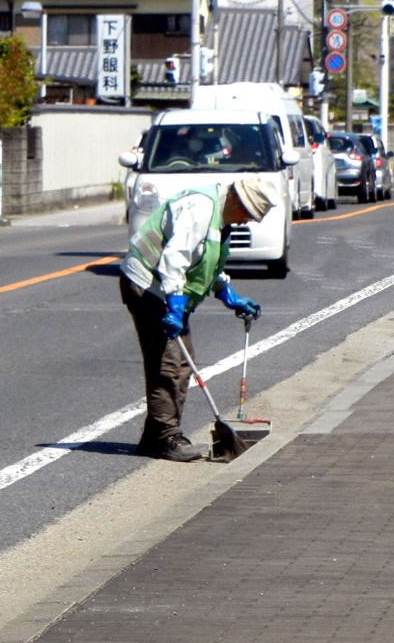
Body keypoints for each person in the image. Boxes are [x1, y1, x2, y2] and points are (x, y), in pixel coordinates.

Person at [119, 177, 281, 462]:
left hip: (164, 289)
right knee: (169, 363)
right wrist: (175, 305)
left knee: (182, 362)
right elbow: (175, 258)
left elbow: (205, 260)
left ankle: (155, 436)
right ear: (236, 199)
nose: (245, 222)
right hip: (146, 284)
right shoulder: (199, 208)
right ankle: (165, 437)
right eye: (247, 214)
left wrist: (226, 292)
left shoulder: (221, 219)